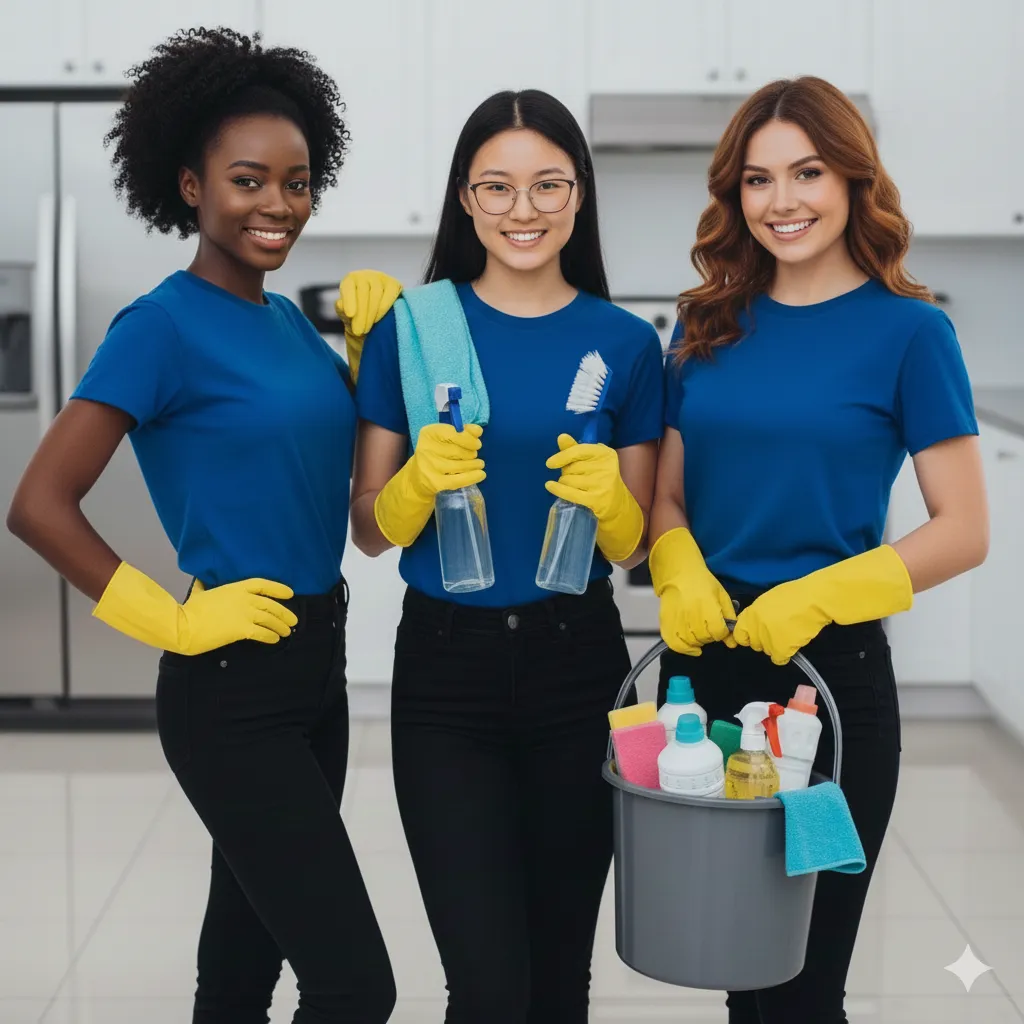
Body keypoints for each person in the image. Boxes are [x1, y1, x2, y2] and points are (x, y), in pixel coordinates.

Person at [6, 28, 396, 1024]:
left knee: (239, 970)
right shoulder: (159, 326)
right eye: (249, 180)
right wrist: (169, 616)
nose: (278, 205)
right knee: (355, 986)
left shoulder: (287, 328)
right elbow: (38, 503)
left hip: (316, 664)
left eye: (299, 182)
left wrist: (372, 360)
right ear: (190, 185)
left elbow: (336, 488)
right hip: (228, 685)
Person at [649, 76, 988, 1023]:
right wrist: (674, 563)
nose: (782, 201)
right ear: (734, 195)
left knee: (803, 984)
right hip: (702, 681)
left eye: (807, 172)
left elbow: (965, 527)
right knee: (739, 967)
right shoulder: (705, 323)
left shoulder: (910, 332)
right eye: (757, 180)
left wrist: (825, 594)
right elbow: (666, 496)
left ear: (852, 179)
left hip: (824, 690)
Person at [346, 90, 664, 1023]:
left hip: (582, 668)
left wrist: (611, 501)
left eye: (547, 185)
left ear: (578, 195)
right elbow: (368, 527)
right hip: (447, 676)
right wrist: (408, 490)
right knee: (486, 988)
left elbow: (638, 538)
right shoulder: (414, 329)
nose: (523, 210)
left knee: (560, 979)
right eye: (498, 187)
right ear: (465, 199)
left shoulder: (625, 342)